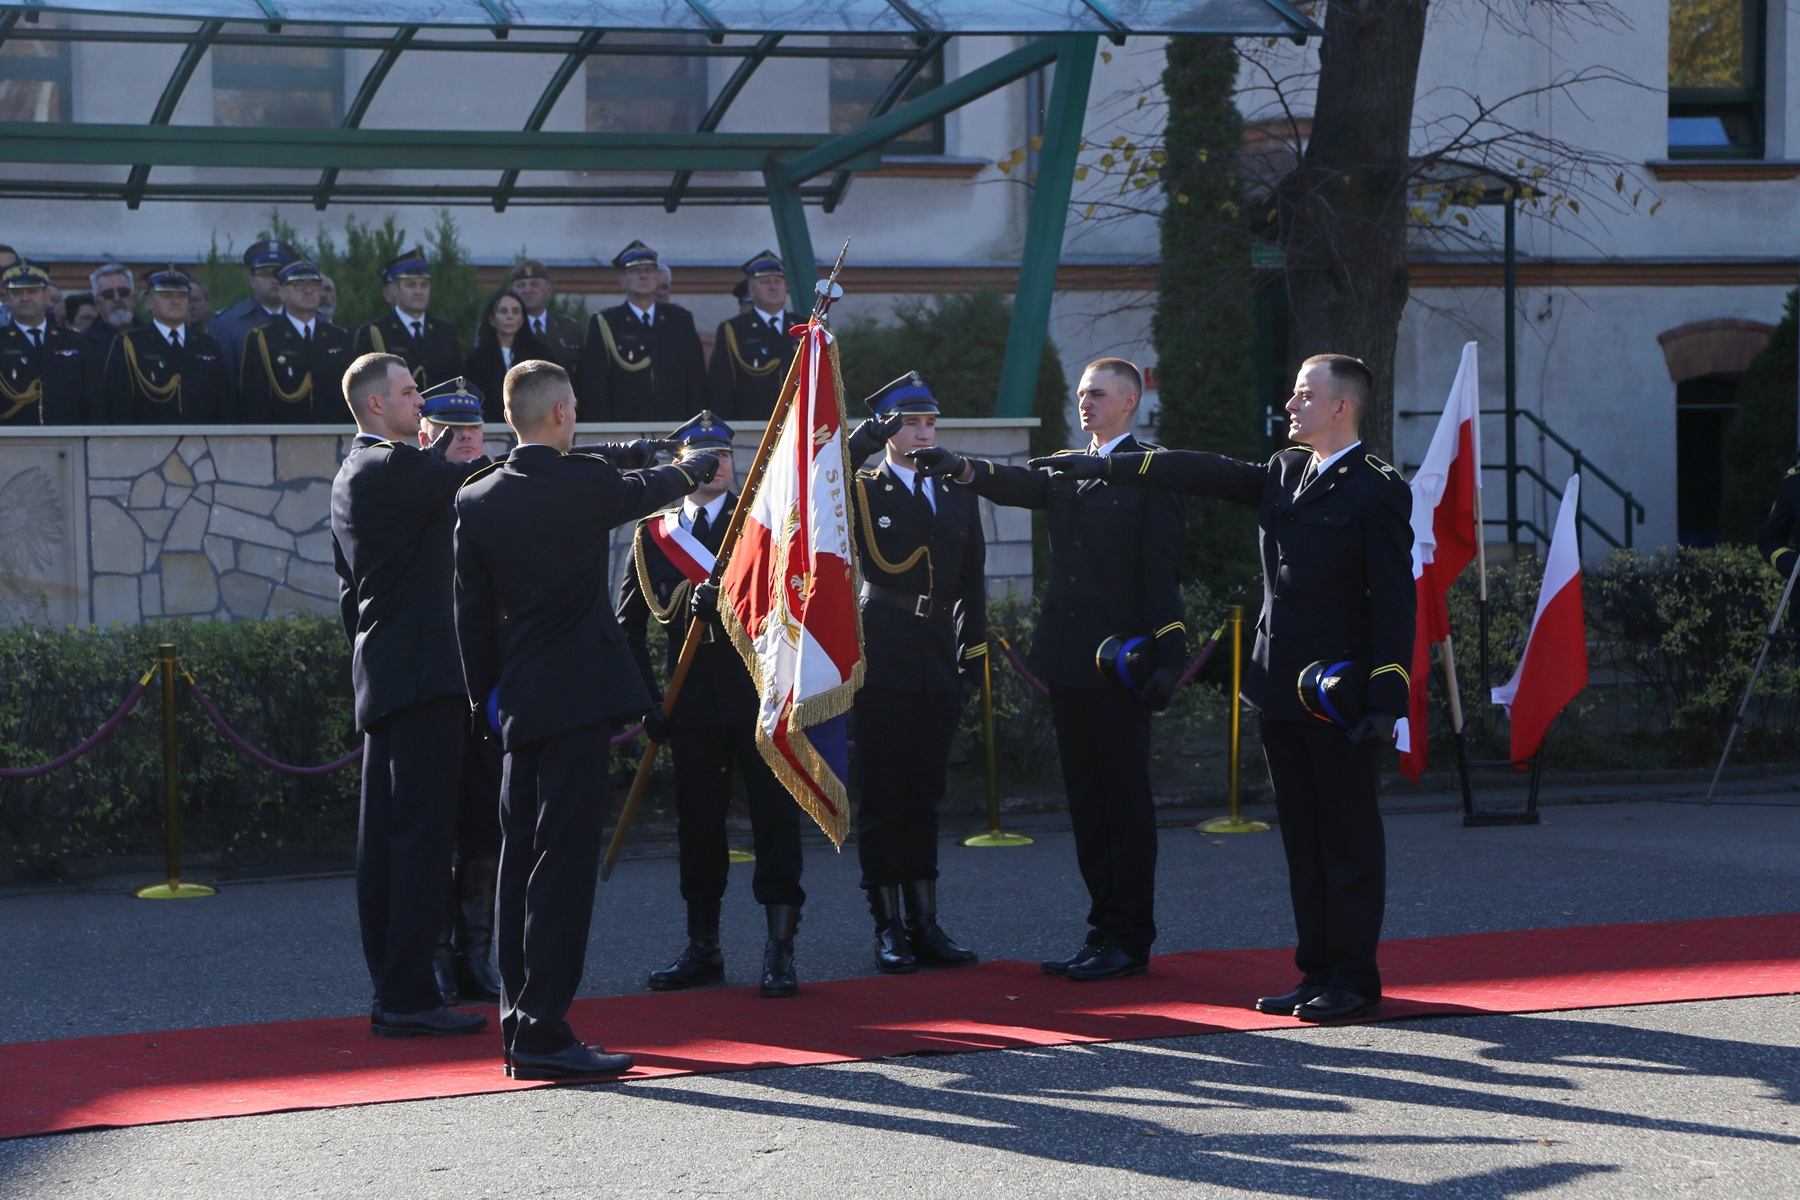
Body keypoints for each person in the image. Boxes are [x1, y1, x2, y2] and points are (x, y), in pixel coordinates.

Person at [1032, 354, 1415, 1022]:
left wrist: (1387, 698)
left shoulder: (1376, 488)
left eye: (1303, 396)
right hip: (1279, 690)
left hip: (1338, 693)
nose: (1291, 405)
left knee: (1346, 841)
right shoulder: (1285, 471)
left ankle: (1353, 979)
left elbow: (1394, 601)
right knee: (1301, 839)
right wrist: (1106, 465)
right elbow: (1204, 471)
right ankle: (1316, 969)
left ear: (1340, 408)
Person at [453, 359, 718, 1082]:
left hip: (518, 707)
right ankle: (545, 1032)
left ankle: (519, 1022)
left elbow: (471, 623)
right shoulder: (585, 485)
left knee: (518, 866)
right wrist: (694, 464)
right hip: (575, 704)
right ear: (564, 413)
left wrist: (489, 704)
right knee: (563, 871)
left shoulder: (477, 498)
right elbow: (658, 487)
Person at [911, 358, 1187, 982]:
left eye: (1098, 394)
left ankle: (1130, 936)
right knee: (1087, 804)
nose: (1085, 403)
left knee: (1124, 803)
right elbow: (1024, 485)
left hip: (1122, 662)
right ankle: (1101, 930)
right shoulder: (1071, 467)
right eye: (1083, 394)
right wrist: (963, 468)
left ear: (1130, 402)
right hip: (1069, 658)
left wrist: (1169, 656)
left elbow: (1162, 573)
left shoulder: (1150, 473)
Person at [332, 352, 495, 1041]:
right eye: (407, 393)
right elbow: (479, 479)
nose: (420, 401)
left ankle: (402, 989)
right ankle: (405, 995)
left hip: (398, 676)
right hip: (421, 676)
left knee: (397, 842)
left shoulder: (373, 469)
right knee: (418, 842)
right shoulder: (386, 467)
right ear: (375, 406)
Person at [617, 412, 808, 999]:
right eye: (704, 455)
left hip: (761, 699)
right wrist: (646, 701)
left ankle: (780, 950)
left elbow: (797, 605)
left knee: (776, 823)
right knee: (699, 826)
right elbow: (626, 626)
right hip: (691, 704)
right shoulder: (655, 534)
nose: (717, 465)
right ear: (680, 465)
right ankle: (703, 947)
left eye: (724, 455)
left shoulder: (765, 524)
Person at [842, 374, 986, 975]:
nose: (923, 432)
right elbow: (810, 484)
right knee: (882, 793)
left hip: (936, 653)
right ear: (885, 430)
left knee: (925, 792)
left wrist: (972, 655)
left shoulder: (954, 488)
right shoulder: (862, 486)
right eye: (908, 422)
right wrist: (859, 439)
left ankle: (927, 922)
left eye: (929, 422)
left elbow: (972, 579)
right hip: (882, 645)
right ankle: (889, 925)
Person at [409, 377, 506, 1006]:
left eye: (474, 432)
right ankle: (437, 954)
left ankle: (476, 954)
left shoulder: (498, 491)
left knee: (485, 827)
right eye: (454, 433)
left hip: (489, 682)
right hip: (434, 681)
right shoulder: (411, 489)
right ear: (427, 435)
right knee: (433, 830)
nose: (468, 443)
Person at [577, 241, 707, 423]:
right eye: (635, 271)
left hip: (675, 425)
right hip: (624, 428)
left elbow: (696, 381)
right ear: (622, 280)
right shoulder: (606, 322)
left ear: (658, 277)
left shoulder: (680, 320)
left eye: (649, 270)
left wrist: (696, 425)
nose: (643, 276)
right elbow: (595, 386)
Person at [101, 265, 229, 424]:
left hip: (202, 443)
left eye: (182, 295)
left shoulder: (208, 345)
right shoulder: (129, 345)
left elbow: (224, 406)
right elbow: (118, 407)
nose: (175, 301)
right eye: (166, 295)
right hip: (150, 443)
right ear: (149, 301)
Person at [239, 260, 355, 423]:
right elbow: (254, 402)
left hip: (334, 436)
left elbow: (353, 396)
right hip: (284, 438)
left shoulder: (341, 336)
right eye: (298, 284)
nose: (308, 291)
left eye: (314, 284)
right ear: (281, 292)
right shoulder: (264, 338)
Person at [706, 250, 802, 424]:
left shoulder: (804, 326)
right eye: (765, 282)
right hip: (754, 427)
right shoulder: (733, 330)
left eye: (778, 281)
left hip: (799, 424)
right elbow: (721, 389)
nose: (773, 287)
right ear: (751, 290)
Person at [0, 262, 95, 424]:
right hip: (13, 443)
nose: (25, 298)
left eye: (32, 291)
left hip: (68, 441)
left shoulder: (75, 341)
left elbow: (92, 401)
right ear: (7, 297)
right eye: (17, 293)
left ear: (47, 294)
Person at [354, 248, 461, 389]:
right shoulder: (375, 332)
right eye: (410, 285)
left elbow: (456, 382)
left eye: (424, 285)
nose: (418, 291)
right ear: (394, 289)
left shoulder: (445, 331)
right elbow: (364, 386)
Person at [210, 239, 297, 387]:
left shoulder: (305, 318)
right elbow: (222, 382)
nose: (274, 280)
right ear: (252, 281)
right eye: (265, 274)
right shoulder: (228, 323)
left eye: (279, 273)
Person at [463, 290, 548, 422]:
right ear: (492, 319)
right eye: (503, 311)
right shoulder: (477, 358)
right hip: (490, 428)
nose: (510, 316)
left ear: (522, 319)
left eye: (515, 311)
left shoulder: (538, 355)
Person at [506, 259, 584, 382]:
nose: (527, 290)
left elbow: (582, 378)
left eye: (534, 284)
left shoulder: (569, 329)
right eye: (521, 285)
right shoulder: (503, 328)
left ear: (548, 290)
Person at [85, 263, 141, 356]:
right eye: (108, 294)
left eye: (123, 292)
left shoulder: (155, 339)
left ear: (134, 299)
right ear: (97, 304)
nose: (117, 298)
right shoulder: (84, 345)